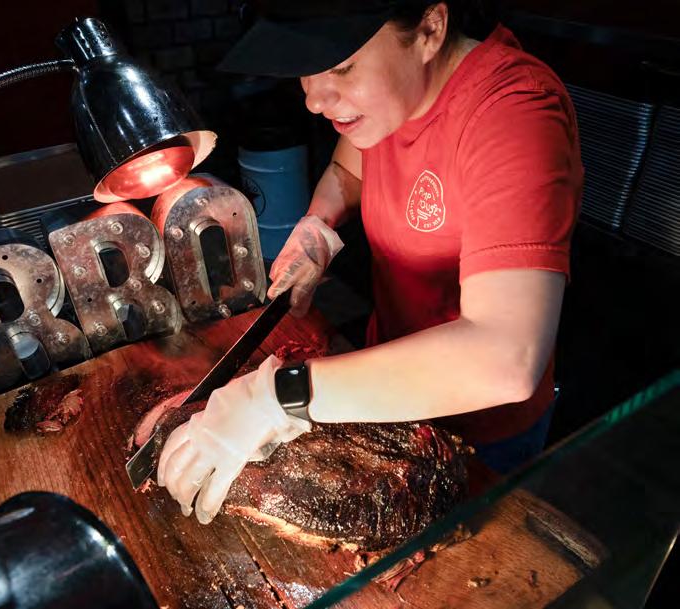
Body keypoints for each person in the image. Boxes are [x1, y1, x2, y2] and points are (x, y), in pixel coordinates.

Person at [157, 0, 583, 524]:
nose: (315, 99)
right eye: (305, 72)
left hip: (482, 429)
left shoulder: (513, 113)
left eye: (341, 67)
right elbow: (349, 169)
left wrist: (275, 396)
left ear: (429, 30)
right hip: (378, 387)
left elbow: (506, 357)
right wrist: (317, 227)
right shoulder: (389, 99)